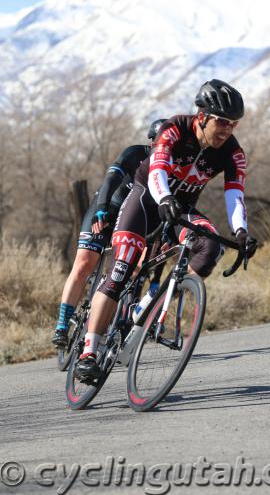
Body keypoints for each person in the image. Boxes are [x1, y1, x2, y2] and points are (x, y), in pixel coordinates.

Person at [75, 79, 258, 381]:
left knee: (209, 245)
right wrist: (165, 198)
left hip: (180, 206)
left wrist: (241, 232)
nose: (227, 130)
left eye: (234, 124)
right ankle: (89, 352)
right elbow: (158, 169)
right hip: (147, 197)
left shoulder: (233, 152)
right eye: (222, 122)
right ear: (203, 116)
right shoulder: (175, 128)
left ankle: (162, 302)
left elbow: (235, 194)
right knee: (121, 268)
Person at [51, 119, 167, 348]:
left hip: (130, 221)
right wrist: (101, 208)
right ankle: (62, 325)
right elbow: (110, 179)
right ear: (151, 141)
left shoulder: (169, 167)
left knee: (127, 271)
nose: (164, 147)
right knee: (84, 263)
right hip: (107, 210)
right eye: (160, 142)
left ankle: (103, 325)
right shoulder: (135, 154)